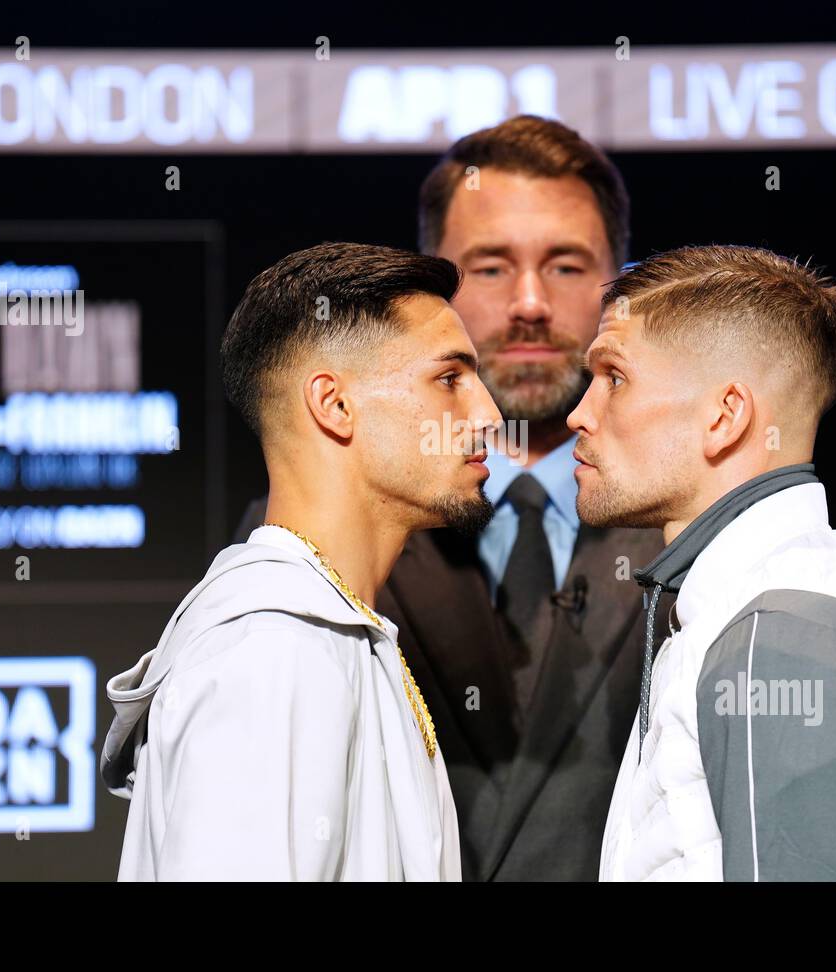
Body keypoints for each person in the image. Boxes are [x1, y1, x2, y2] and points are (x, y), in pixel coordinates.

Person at [235, 116, 666, 880]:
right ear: (430, 284)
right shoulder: (318, 526)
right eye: (490, 268)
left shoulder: (683, 525)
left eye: (567, 266)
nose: (529, 303)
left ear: (620, 285)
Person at [569, 244, 836, 881]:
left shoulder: (782, 634)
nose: (581, 413)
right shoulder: (756, 608)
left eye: (615, 378)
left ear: (725, 416)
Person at [101, 242, 501, 880]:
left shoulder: (323, 632)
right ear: (335, 406)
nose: (489, 416)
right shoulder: (275, 648)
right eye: (449, 379)